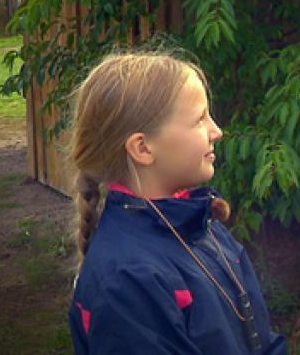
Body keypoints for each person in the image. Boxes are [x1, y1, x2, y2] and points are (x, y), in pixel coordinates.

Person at [67, 52, 287, 355]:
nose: (217, 132)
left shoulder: (201, 226)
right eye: (199, 119)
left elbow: (261, 340)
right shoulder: (127, 281)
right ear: (143, 148)